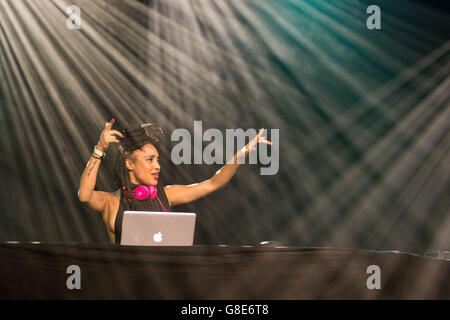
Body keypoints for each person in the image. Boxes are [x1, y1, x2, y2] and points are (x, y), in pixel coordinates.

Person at [78, 118, 272, 243]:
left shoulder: (166, 195)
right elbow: (85, 196)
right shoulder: (111, 203)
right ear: (130, 164)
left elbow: (213, 183)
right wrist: (99, 150)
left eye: (157, 160)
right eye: (149, 160)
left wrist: (241, 155)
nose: (157, 166)